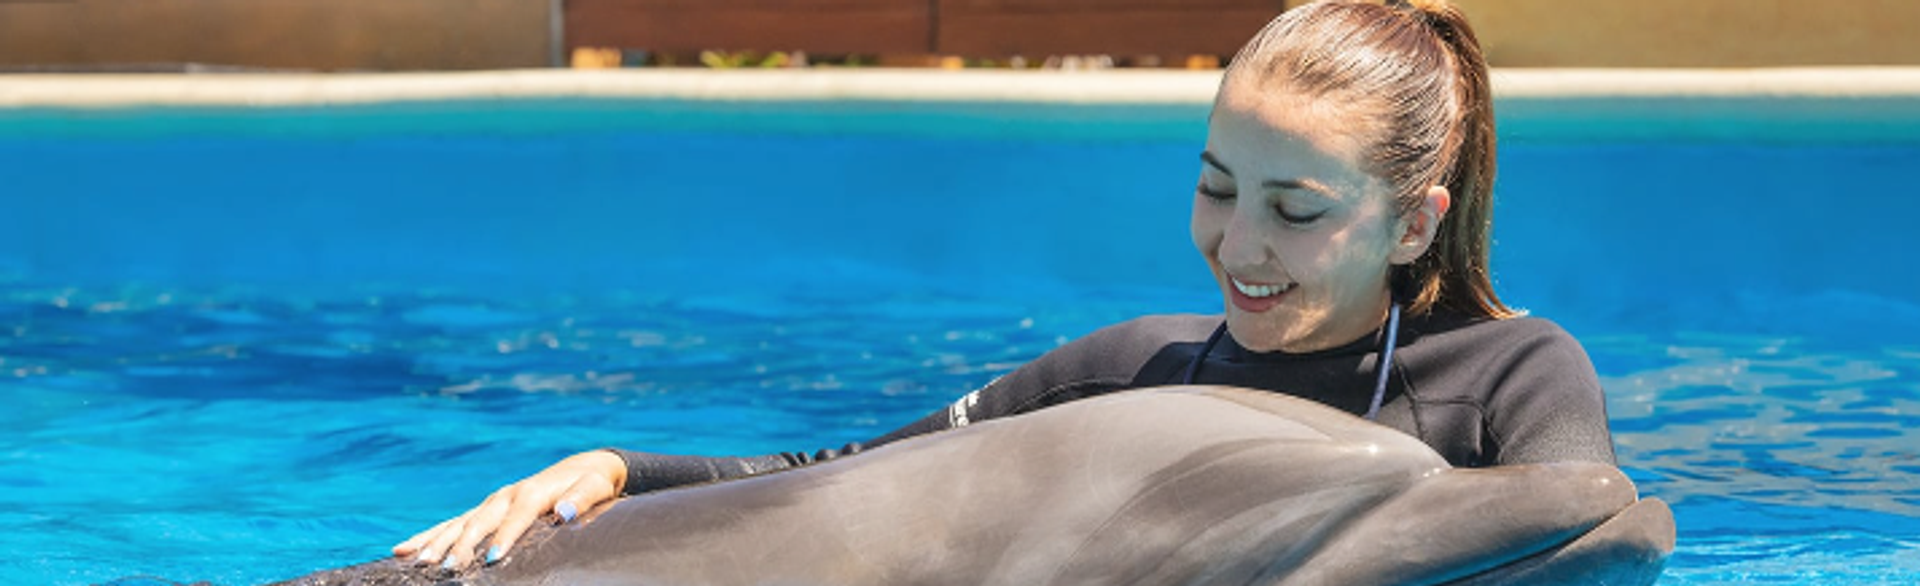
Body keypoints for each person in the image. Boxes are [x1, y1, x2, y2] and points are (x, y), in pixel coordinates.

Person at [394, 0, 1616, 570]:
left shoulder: (1513, 370)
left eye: (1297, 210)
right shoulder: (1126, 372)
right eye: (1217, 187)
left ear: (1414, 221)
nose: (1241, 241)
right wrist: (621, 468)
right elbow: (851, 479)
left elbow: (1594, 521)